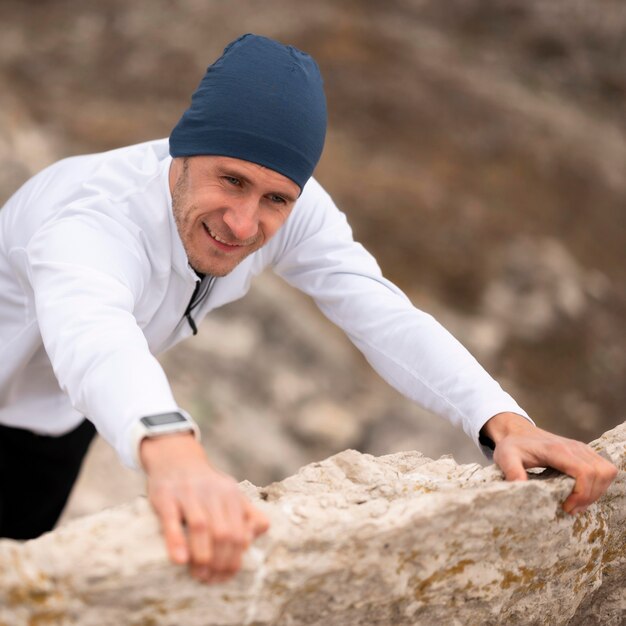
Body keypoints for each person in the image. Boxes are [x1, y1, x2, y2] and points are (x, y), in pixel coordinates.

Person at [0, 34, 617, 584]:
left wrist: (505, 421)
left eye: (275, 198)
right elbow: (95, 336)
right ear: (183, 148)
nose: (243, 224)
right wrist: (178, 458)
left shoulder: (292, 205)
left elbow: (380, 313)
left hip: (55, 417)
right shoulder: (90, 220)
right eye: (230, 180)